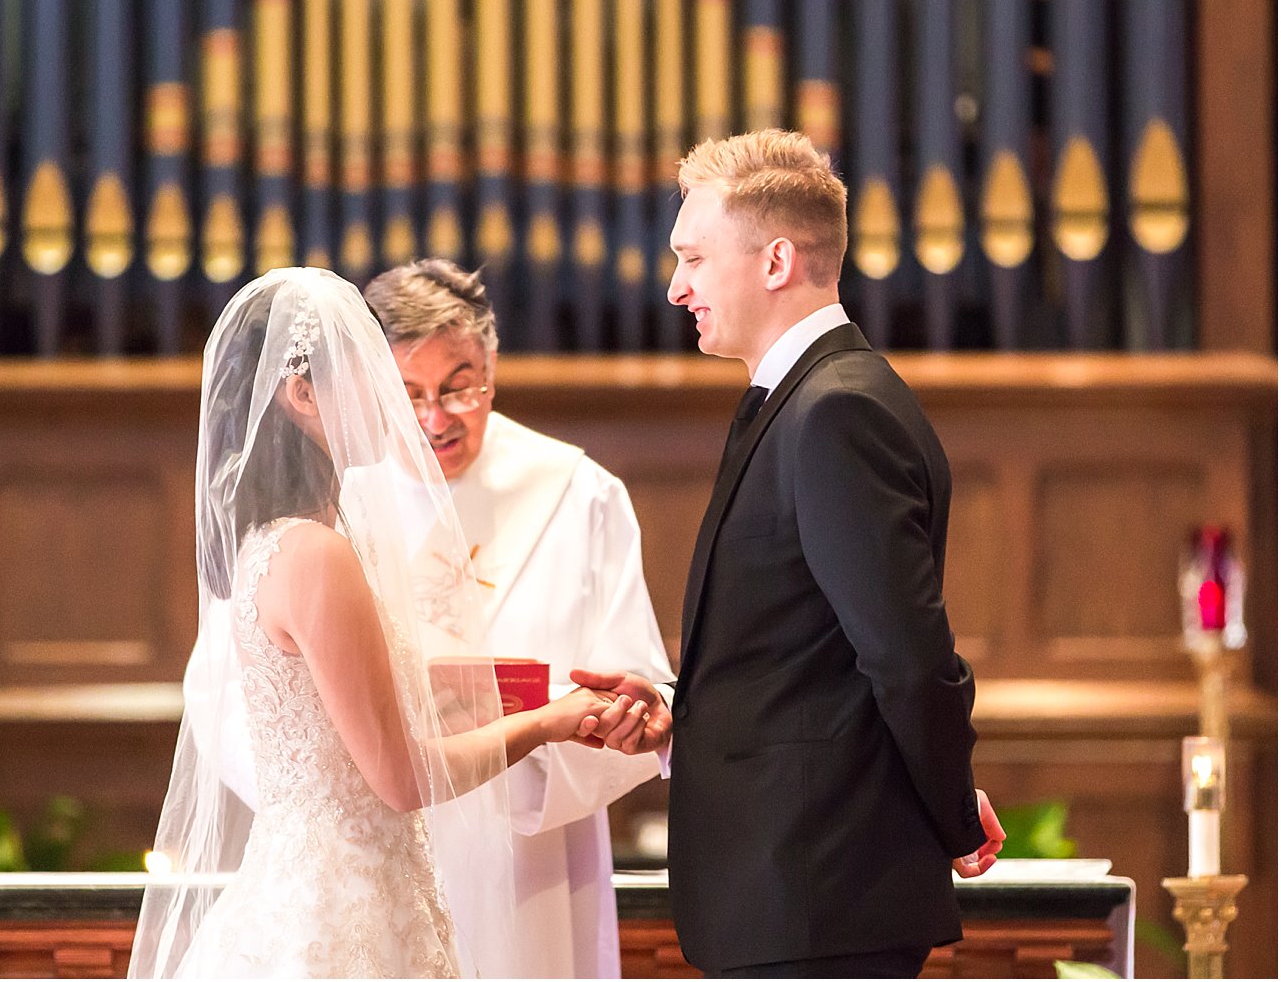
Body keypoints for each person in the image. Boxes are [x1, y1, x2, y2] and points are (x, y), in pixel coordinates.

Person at [575, 130, 1006, 979]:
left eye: (693, 258)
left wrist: (951, 813)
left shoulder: (837, 413)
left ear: (776, 261)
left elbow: (909, 659)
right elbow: (811, 660)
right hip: (796, 897)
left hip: (816, 907)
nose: (675, 287)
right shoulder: (808, 402)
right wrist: (677, 711)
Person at [130, 268, 612, 979]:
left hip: (327, 881)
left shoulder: (281, 541)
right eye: (371, 369)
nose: (394, 399)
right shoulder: (315, 554)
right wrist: (548, 721)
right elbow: (400, 779)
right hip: (339, 907)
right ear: (301, 395)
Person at [362, 259, 676, 979]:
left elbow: (639, 684)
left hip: (530, 856)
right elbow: (233, 697)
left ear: (492, 367)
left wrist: (619, 719)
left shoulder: (580, 493)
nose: (435, 419)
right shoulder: (335, 498)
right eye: (407, 394)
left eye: (459, 386)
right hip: (378, 845)